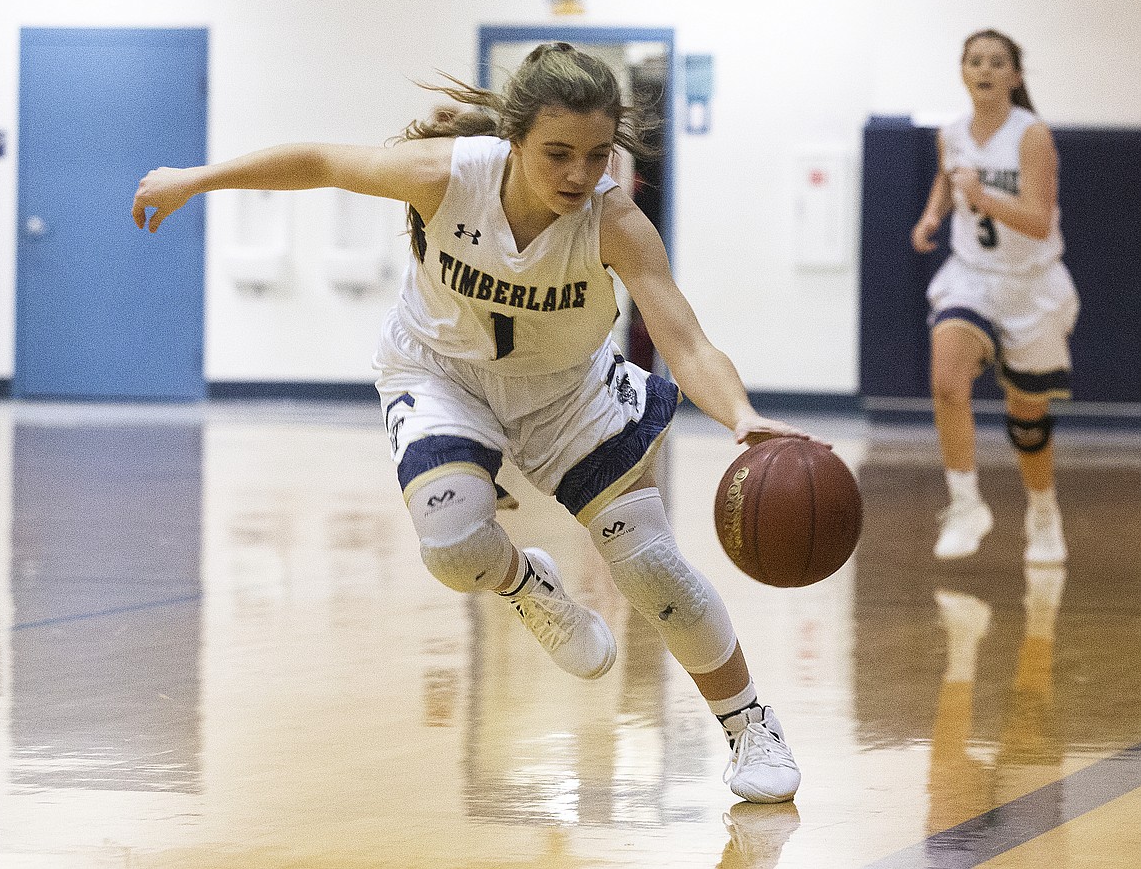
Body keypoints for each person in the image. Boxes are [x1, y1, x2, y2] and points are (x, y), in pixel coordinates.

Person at [132, 41, 813, 803]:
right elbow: (319, 161)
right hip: (440, 372)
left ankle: (748, 721)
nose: (578, 175)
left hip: (568, 392)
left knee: (651, 565)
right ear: (511, 138)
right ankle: (530, 585)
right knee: (455, 550)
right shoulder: (447, 175)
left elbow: (684, 339)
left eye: (596, 156)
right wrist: (195, 178)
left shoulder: (615, 221)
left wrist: (742, 417)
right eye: (557, 153)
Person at [911, 30, 1079, 564]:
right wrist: (933, 213)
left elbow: (1035, 220)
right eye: (975, 61)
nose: (985, 69)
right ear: (963, 71)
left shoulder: (1032, 136)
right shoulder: (951, 133)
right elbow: (948, 176)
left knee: (1027, 419)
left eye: (997, 62)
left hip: (1032, 285)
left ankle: (1043, 511)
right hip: (971, 276)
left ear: (1015, 76)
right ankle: (965, 505)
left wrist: (982, 196)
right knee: (946, 381)